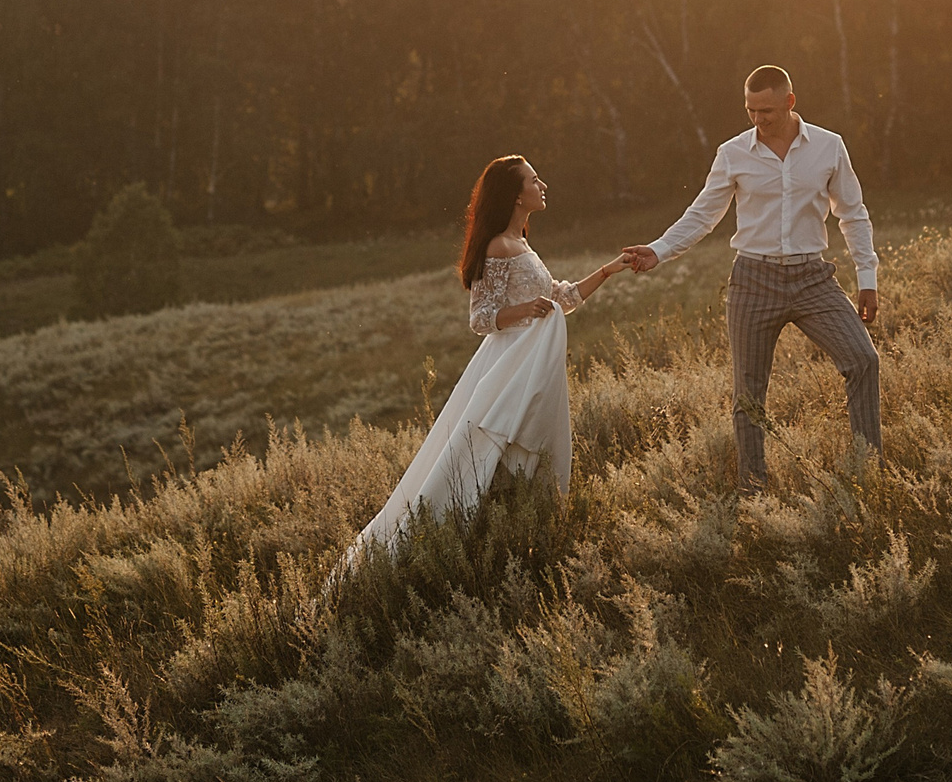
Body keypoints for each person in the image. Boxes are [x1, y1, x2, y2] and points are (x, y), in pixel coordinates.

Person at [342, 155, 629, 567]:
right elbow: (480, 318)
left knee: (524, 447)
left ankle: (523, 538)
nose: (543, 185)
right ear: (515, 195)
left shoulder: (522, 244)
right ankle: (461, 543)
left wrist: (609, 270)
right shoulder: (498, 246)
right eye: (534, 180)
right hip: (508, 363)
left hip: (531, 362)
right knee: (491, 449)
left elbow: (562, 298)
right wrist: (526, 310)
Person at [623, 65, 881, 493]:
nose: (758, 119)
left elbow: (853, 214)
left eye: (767, 111)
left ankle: (869, 473)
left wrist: (866, 277)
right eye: (750, 111)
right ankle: (754, 490)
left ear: (789, 102)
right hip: (753, 280)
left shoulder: (829, 146)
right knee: (749, 394)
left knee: (863, 360)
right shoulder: (733, 153)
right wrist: (659, 250)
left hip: (813, 278)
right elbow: (703, 214)